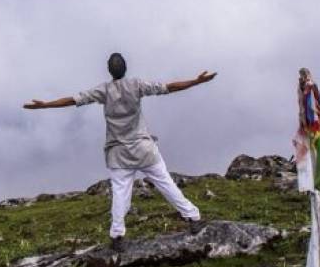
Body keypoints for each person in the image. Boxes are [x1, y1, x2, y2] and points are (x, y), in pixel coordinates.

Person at [24, 52, 217, 248]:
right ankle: (193, 218)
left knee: (120, 194)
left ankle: (117, 236)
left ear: (109, 70)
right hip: (144, 148)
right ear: (126, 68)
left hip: (118, 153)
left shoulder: (103, 91)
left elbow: (73, 100)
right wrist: (196, 81)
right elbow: (169, 87)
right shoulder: (137, 85)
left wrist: (45, 105)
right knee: (166, 183)